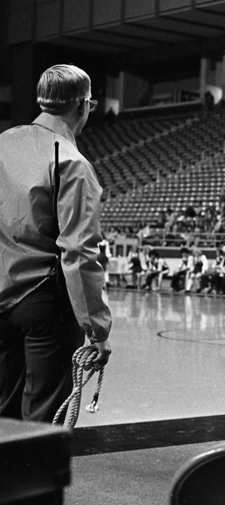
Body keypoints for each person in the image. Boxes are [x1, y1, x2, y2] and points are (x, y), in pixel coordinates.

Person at [0, 64, 112, 424]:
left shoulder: (2, 144)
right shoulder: (72, 163)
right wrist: (96, 329)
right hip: (44, 300)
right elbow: (79, 252)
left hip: (1, 293)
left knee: (3, 413)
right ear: (82, 105)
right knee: (41, 421)